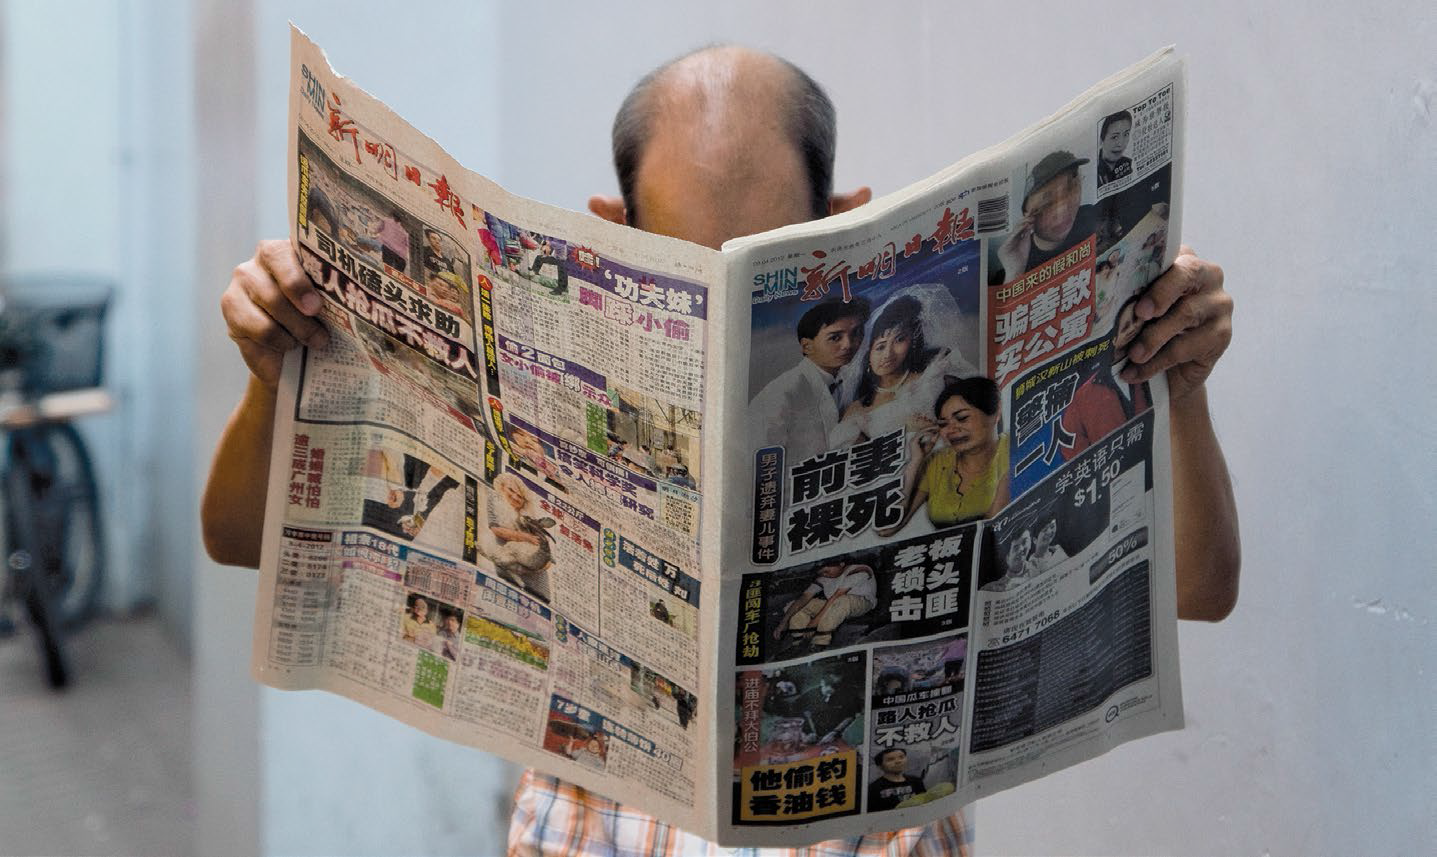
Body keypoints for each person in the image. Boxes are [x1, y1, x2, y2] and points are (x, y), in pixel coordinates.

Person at [205, 42, 1239, 857]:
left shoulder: (931, 402)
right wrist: (275, 377)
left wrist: (1178, 393)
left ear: (845, 225)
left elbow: (1197, 586)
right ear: (611, 226)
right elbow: (239, 539)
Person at [829, 289, 978, 448]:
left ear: (912, 341)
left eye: (899, 340)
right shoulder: (857, 410)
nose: (888, 354)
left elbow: (976, 411)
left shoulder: (935, 373)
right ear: (868, 354)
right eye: (880, 347)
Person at [881, 376, 1010, 535]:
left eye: (962, 418)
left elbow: (993, 532)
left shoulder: (1012, 450)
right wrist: (916, 460)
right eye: (943, 424)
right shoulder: (938, 461)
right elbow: (888, 528)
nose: (951, 430)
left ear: (995, 414)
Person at [749, 297, 869, 466]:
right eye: (835, 338)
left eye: (856, 333)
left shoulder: (850, 378)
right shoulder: (783, 393)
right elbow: (758, 460)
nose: (848, 345)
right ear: (807, 346)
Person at [1061, 294, 1153, 460]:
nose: (1132, 329)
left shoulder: (1152, 364)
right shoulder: (1084, 396)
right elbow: (1072, 452)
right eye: (1125, 327)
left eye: (1135, 321)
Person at [991, 149, 1096, 285]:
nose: (1062, 209)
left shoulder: (1092, 215)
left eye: (1071, 187)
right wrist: (1015, 272)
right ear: (1026, 218)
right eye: (1047, 204)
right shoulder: (1007, 273)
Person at [772, 560, 877, 648]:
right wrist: (783, 623)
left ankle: (819, 643)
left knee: (842, 600)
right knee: (793, 605)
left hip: (861, 603)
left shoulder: (859, 569)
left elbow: (837, 596)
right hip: (833, 604)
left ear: (841, 564)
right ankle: (798, 641)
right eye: (822, 573)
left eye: (827, 570)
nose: (825, 574)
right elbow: (804, 597)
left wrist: (814, 622)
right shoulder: (823, 578)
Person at [868, 748, 927, 812]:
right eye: (890, 759)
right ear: (880, 766)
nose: (898, 761)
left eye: (901, 757)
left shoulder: (916, 781)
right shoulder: (874, 788)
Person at [1097, 110, 1134, 187]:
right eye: (1115, 137)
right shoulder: (1095, 169)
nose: (1120, 144)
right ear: (1101, 140)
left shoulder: (1129, 164)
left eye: (1126, 134)